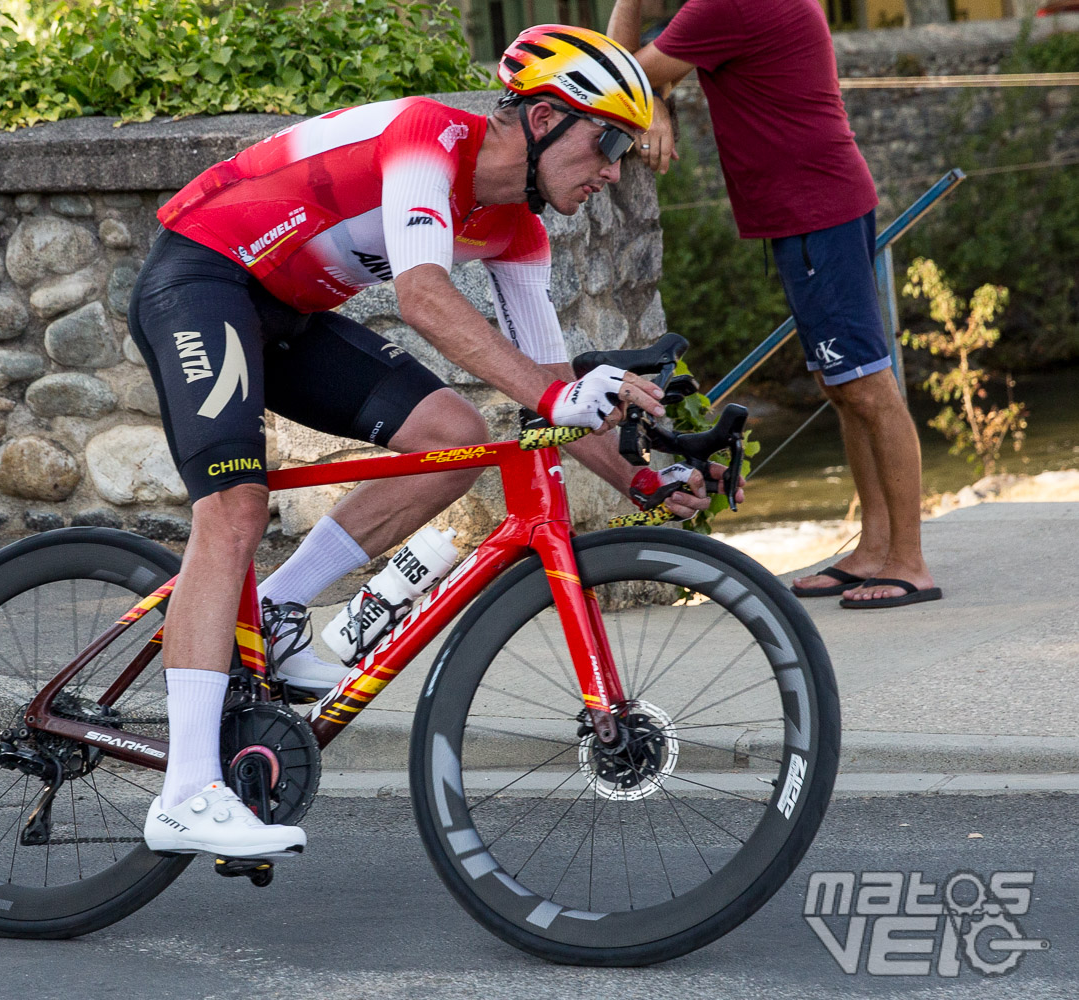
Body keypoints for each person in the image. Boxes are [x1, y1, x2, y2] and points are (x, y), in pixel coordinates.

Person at [129, 25, 724, 860]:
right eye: (608, 139)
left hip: (287, 313)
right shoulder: (428, 138)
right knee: (234, 509)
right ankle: (186, 790)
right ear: (546, 117)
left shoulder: (520, 231)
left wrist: (641, 480)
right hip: (202, 276)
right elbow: (422, 294)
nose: (615, 168)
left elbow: (553, 394)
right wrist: (558, 392)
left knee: (456, 434)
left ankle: (274, 608)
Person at [606, 0, 941, 611]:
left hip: (817, 211)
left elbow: (618, 76)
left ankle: (909, 562)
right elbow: (652, 75)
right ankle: (874, 550)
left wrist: (632, 15)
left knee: (868, 385)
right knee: (842, 385)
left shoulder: (729, 3)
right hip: (810, 211)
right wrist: (656, 100)